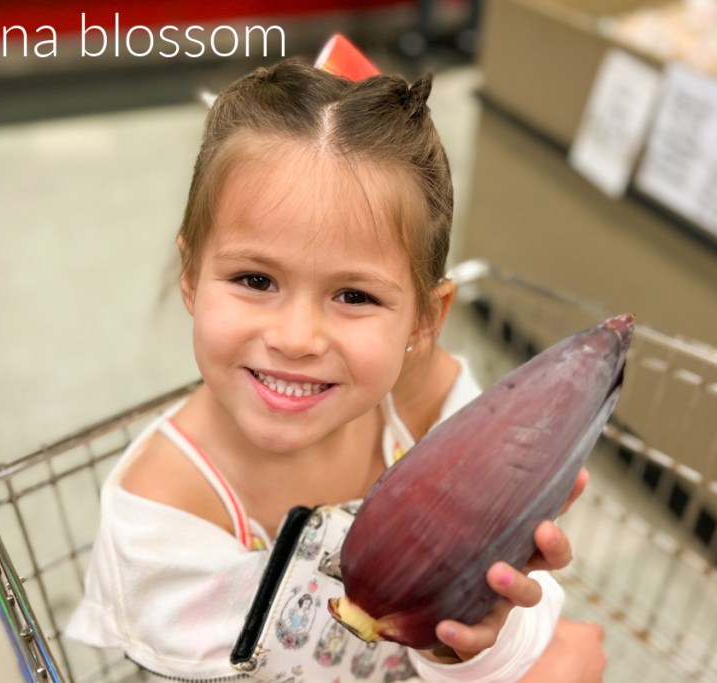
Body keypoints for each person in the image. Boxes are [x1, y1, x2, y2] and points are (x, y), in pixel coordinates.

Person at [66, 57, 604, 682]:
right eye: (255, 279)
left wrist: (465, 646)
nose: (295, 339)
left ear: (426, 321)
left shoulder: (427, 401)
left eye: (354, 296)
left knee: (567, 653)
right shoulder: (166, 514)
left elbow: (517, 623)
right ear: (191, 277)